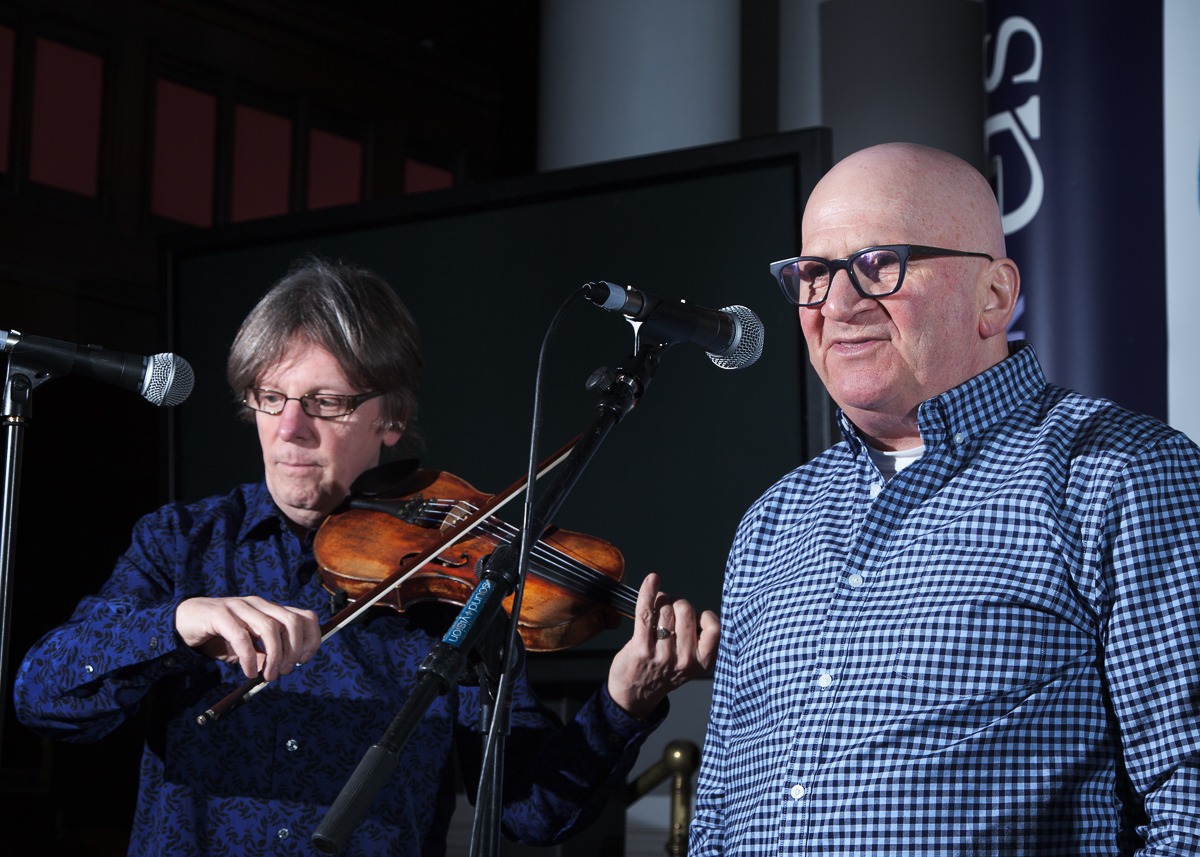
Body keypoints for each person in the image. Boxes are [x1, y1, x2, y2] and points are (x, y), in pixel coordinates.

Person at [13, 256, 720, 857]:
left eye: (325, 402)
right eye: (270, 396)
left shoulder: (461, 589)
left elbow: (528, 812)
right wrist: (176, 622)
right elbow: (43, 696)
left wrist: (624, 701)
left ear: (392, 420)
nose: (289, 428)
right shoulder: (181, 542)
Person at [689, 142, 1200, 855]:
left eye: (877, 265)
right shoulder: (773, 520)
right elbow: (715, 814)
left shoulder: (1119, 476)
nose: (837, 304)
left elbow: (1191, 806)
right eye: (814, 273)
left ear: (994, 295)